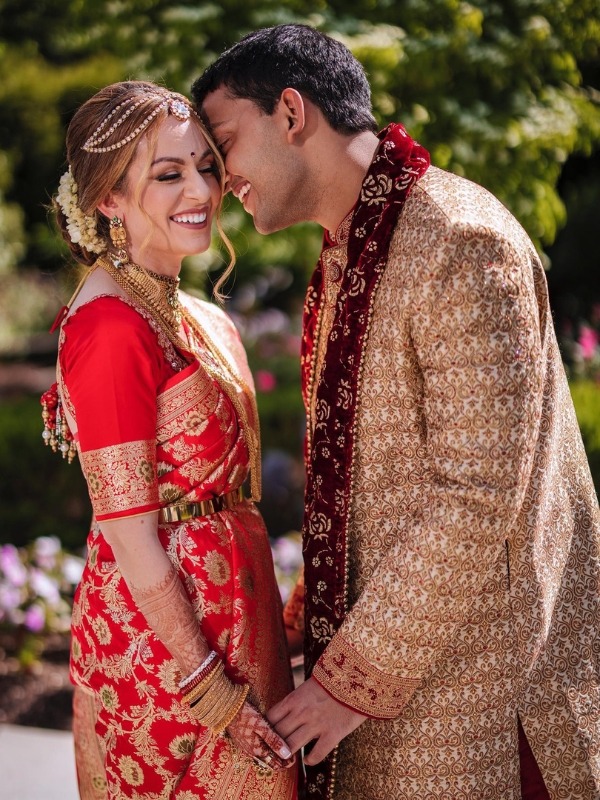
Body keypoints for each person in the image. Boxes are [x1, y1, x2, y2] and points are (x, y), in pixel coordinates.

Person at [192, 24, 600, 800]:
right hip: (395, 692)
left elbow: (477, 496)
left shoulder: (458, 238)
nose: (219, 180)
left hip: (483, 693)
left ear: (290, 113)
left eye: (224, 145)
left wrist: (347, 684)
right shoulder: (350, 250)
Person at [40, 80, 298, 799]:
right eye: (168, 173)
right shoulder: (110, 326)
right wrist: (212, 694)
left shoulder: (188, 309)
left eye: (206, 165)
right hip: (167, 663)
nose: (203, 189)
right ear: (109, 201)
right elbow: (130, 536)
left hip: (239, 619)